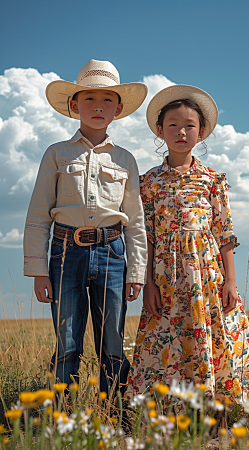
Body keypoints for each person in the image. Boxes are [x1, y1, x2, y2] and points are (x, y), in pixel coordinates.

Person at [126, 84, 249, 404]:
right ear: (160, 131)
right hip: (165, 278)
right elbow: (146, 235)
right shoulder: (148, 181)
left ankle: (218, 409)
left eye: (189, 125)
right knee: (167, 340)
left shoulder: (213, 180)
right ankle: (168, 410)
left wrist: (231, 280)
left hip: (207, 277)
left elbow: (225, 233)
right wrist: (147, 283)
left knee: (214, 338)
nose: (181, 131)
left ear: (201, 132)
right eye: (173, 125)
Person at [23, 60, 148, 395]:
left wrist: (136, 272)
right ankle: (65, 421)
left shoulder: (125, 159)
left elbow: (135, 221)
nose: (98, 107)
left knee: (113, 345)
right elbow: (38, 215)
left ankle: (115, 416)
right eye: (89, 100)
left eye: (107, 100)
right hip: (65, 255)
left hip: (112, 254)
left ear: (118, 109)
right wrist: (38, 269)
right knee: (67, 344)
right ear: (75, 105)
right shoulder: (56, 154)